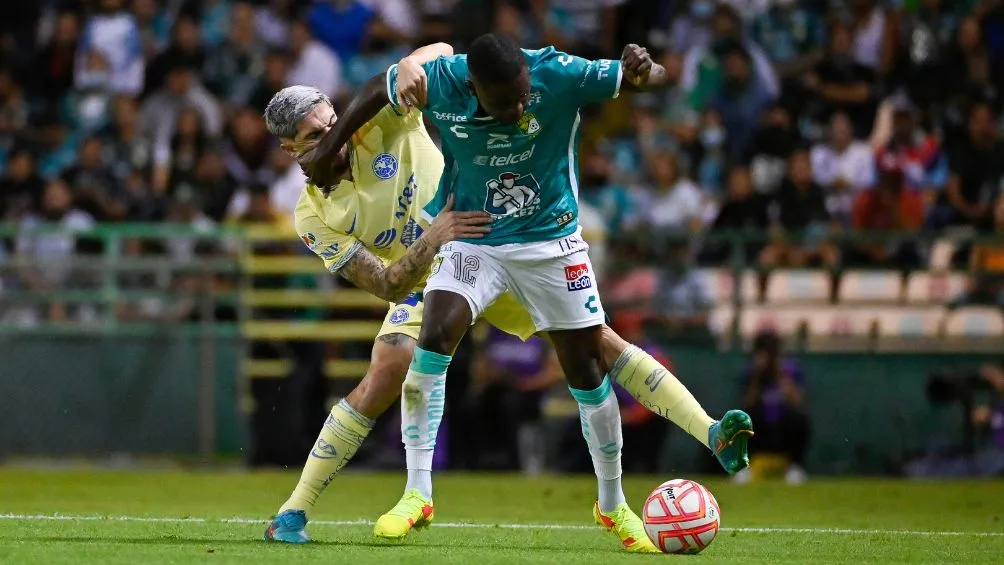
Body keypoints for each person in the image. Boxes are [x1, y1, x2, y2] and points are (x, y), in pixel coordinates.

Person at [274, 39, 752, 550]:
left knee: (598, 349)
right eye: (315, 135)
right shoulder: (310, 216)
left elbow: (439, 54)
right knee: (391, 365)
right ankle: (298, 509)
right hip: (433, 264)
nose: (332, 138)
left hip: (497, 236)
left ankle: (704, 434)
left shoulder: (382, 124)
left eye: (331, 125)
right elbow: (385, 283)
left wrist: (411, 61)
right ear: (290, 149)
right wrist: (433, 237)